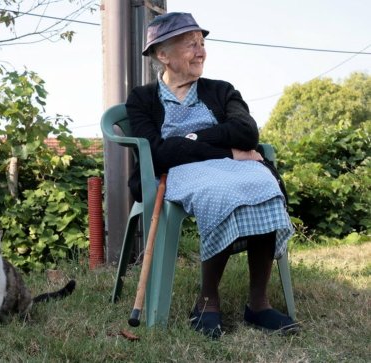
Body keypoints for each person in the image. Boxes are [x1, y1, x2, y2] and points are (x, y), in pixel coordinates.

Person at [125, 12, 298, 339]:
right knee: (218, 191)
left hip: (232, 166)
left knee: (263, 183)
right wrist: (226, 149)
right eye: (191, 45)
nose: (201, 51)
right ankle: (207, 301)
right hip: (177, 173)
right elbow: (159, 153)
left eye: (202, 44)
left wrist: (192, 139)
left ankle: (258, 305)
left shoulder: (220, 90)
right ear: (163, 55)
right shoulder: (143, 99)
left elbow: (246, 132)